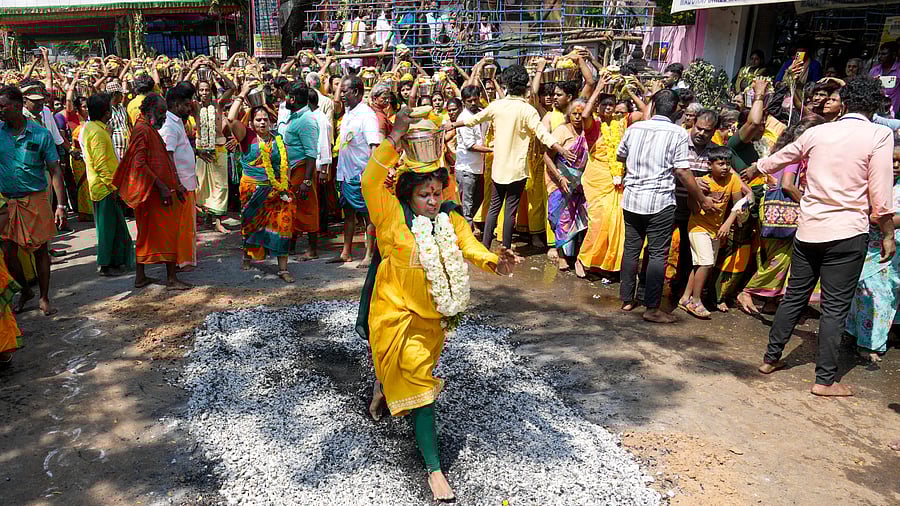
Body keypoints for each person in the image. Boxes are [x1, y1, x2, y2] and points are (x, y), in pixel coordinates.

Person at [358, 106, 521, 502]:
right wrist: (395, 138)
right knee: (424, 391)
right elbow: (370, 179)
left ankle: (382, 388)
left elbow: (468, 245)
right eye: (424, 194)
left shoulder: (449, 218)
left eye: (436, 193)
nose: (432, 200)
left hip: (435, 322)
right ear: (408, 194)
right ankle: (435, 470)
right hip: (395, 314)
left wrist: (494, 262)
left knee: (410, 373)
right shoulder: (391, 217)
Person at [744, 77, 896, 396]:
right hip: (848, 232)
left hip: (810, 228)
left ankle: (770, 359)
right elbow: (881, 197)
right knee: (835, 308)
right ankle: (825, 380)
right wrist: (888, 234)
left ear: (846, 102)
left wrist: (757, 168)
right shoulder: (879, 134)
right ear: (875, 106)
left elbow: (781, 157)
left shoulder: (817, 132)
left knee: (795, 295)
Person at [448, 64, 574, 250]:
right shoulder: (527, 110)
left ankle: (485, 246)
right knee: (510, 210)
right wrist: (559, 148)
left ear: (506, 84)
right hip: (517, 169)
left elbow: (473, 120)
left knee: (494, 208)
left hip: (499, 166)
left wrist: (453, 125)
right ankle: (506, 249)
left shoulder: (497, 106)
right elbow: (542, 134)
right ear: (524, 86)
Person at [616, 89, 714, 324]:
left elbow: (621, 156)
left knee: (631, 249)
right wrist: (701, 198)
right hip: (660, 201)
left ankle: (627, 299)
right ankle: (651, 308)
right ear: (675, 111)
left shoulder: (634, 128)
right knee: (658, 253)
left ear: (654, 107)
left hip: (632, 198)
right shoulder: (678, 134)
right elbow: (682, 170)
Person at [736, 117, 826, 315]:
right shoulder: (795, 156)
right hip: (787, 213)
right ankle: (748, 291)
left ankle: (772, 302)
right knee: (781, 258)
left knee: (779, 257)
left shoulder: (781, 153)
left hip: (772, 211)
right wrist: (808, 204)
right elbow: (787, 185)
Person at [0, 85, 68, 316]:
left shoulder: (40, 134)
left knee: (40, 251)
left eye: (3, 106)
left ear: (18, 107)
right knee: (8, 252)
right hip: (7, 202)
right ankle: (25, 290)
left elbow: (55, 170)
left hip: (36, 199)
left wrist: (60, 205)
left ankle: (44, 297)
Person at [114, 93, 192, 290]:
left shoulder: (147, 128)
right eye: (161, 112)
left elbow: (162, 159)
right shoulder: (141, 130)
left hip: (160, 191)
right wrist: (162, 186)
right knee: (164, 234)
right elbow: (139, 163)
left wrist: (176, 185)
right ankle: (172, 279)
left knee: (147, 234)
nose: (164, 117)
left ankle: (141, 277)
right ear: (149, 111)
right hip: (154, 194)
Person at [227, 82, 296, 283]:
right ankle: (247, 254)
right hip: (252, 189)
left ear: (271, 121)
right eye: (258, 120)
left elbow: (285, 164)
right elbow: (231, 118)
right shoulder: (246, 136)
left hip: (277, 190)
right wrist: (242, 94)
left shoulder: (278, 139)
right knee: (250, 224)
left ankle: (283, 268)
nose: (262, 123)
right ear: (251, 123)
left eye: (265, 119)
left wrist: (287, 186)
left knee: (284, 224)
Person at [844, 132, 900, 363]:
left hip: (892, 251)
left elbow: (879, 217)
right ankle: (863, 340)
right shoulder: (873, 181)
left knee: (884, 295)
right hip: (868, 246)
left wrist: (881, 219)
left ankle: (873, 340)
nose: (895, 165)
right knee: (868, 293)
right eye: (892, 160)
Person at [679, 146, 748, 318]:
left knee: (701, 264)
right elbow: (693, 209)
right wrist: (699, 196)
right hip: (698, 227)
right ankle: (696, 300)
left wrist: (727, 224)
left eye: (727, 164)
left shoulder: (733, 179)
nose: (725, 167)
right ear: (710, 165)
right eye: (720, 164)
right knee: (707, 263)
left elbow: (738, 204)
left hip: (717, 229)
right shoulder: (702, 182)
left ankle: (685, 297)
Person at [81, 93, 135, 277]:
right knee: (107, 229)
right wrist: (113, 187)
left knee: (115, 226)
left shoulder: (92, 127)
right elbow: (101, 164)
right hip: (104, 187)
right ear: (106, 113)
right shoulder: (96, 132)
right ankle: (105, 264)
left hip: (104, 186)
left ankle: (117, 261)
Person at [544, 95, 600, 270]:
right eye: (574, 113)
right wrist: (560, 178)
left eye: (581, 113)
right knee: (560, 218)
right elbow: (547, 156)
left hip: (583, 183)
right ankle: (561, 256)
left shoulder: (589, 132)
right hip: (560, 181)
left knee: (581, 217)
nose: (577, 117)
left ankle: (577, 256)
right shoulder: (561, 131)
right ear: (569, 114)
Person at [332, 75, 382, 267]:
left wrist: (370, 175)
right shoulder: (348, 112)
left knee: (368, 215)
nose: (342, 95)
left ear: (357, 92)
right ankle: (346, 252)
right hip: (345, 172)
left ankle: (369, 254)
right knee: (349, 213)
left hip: (361, 173)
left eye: (345, 91)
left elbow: (374, 147)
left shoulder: (367, 115)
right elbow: (336, 102)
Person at [577, 93, 627, 276]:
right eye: (604, 104)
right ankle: (583, 258)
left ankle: (603, 263)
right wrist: (599, 87)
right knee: (598, 221)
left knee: (614, 220)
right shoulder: (594, 125)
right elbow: (584, 115)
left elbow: (645, 114)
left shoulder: (620, 123)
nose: (608, 108)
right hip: (596, 179)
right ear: (598, 106)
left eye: (611, 104)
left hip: (615, 178)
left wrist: (631, 89)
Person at [159, 82, 199, 270]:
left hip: (186, 182)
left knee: (187, 225)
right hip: (180, 185)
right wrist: (177, 184)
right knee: (182, 226)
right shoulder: (169, 126)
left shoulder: (177, 122)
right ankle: (181, 261)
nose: (189, 107)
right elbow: (168, 156)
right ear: (176, 106)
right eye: (186, 104)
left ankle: (183, 259)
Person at [194, 67, 237, 234]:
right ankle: (207, 219)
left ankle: (218, 222)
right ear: (197, 92)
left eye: (206, 90)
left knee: (221, 185)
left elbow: (232, 87)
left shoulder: (218, 104)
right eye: (201, 90)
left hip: (219, 148)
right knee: (202, 185)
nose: (204, 93)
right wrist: (193, 69)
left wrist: (216, 70)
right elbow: (180, 87)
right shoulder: (194, 106)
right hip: (202, 150)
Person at [283, 81, 321, 260]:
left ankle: (312, 250)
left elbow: (311, 153)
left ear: (293, 99)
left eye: (287, 96)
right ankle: (291, 246)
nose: (285, 99)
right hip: (293, 169)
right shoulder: (296, 116)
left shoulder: (307, 120)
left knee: (307, 208)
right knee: (294, 207)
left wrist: (306, 180)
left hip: (302, 169)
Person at [454, 85, 490, 225]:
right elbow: (471, 146)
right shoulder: (463, 118)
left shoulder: (481, 113)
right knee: (466, 204)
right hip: (466, 168)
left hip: (478, 166)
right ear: (464, 102)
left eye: (475, 99)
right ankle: (466, 232)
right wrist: (493, 150)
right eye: (470, 101)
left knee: (477, 199)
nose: (473, 103)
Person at [869, 41, 900, 117]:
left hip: (893, 114)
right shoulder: (874, 70)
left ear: (893, 55)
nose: (879, 57)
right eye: (879, 54)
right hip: (874, 112)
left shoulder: (899, 70)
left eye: (884, 54)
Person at [105, 80, 131, 160]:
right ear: (114, 94)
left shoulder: (121, 108)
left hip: (126, 152)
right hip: (115, 154)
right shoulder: (107, 111)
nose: (122, 96)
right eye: (120, 94)